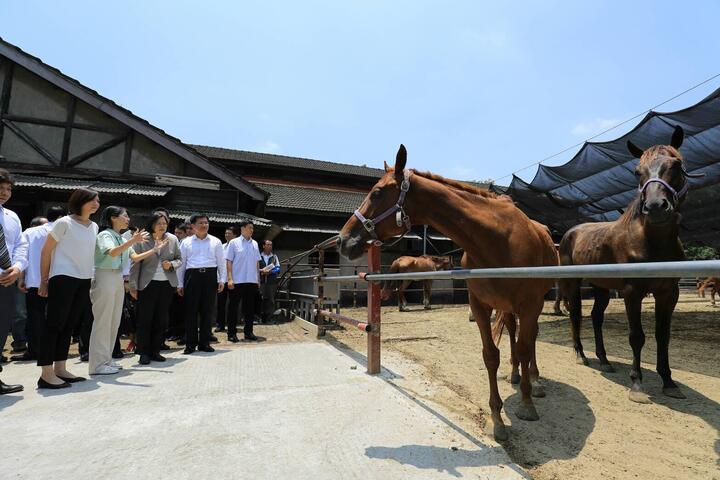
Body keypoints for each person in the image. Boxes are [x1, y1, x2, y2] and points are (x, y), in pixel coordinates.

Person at [37, 188, 100, 388]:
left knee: (69, 324)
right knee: (55, 324)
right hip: (63, 277)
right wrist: (44, 279)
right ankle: (46, 374)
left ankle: (60, 368)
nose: (96, 204)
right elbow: (46, 251)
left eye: (98, 201)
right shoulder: (64, 222)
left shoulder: (94, 226)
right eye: (92, 200)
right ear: (79, 201)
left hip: (83, 279)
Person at [88, 206, 147, 375]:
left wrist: (156, 250)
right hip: (104, 275)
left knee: (114, 321)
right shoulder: (105, 235)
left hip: (116, 277)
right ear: (114, 218)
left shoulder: (120, 237)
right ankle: (97, 365)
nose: (128, 218)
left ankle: (106, 360)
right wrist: (132, 241)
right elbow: (112, 253)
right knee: (103, 321)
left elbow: (134, 257)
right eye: (125, 215)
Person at [129, 212, 181, 364]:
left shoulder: (172, 239)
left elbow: (180, 259)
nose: (162, 226)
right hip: (147, 284)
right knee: (145, 319)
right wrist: (133, 286)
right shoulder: (143, 238)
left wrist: (171, 264)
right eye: (159, 223)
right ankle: (143, 352)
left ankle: (155, 350)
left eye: (164, 224)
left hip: (166, 284)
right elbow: (135, 263)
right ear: (151, 224)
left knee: (161, 319)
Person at [14, 206, 65, 361]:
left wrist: (21, 279)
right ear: (62, 217)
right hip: (59, 281)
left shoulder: (29, 232)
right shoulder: (64, 232)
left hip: (34, 281)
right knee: (57, 317)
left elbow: (22, 255)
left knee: (35, 318)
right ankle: (55, 350)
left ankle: (35, 351)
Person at [176, 213, 226, 354]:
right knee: (191, 311)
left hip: (210, 277)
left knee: (207, 311)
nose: (204, 225)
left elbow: (221, 262)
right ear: (192, 226)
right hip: (192, 276)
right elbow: (182, 264)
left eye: (206, 223)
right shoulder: (186, 242)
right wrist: (180, 284)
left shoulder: (216, 241)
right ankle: (190, 344)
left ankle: (204, 343)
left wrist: (221, 279)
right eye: (201, 223)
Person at [0, 169, 28, 368]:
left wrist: (17, 268)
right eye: (0, 188)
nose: (4, 192)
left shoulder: (12, 217)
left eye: (8, 189)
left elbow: (20, 244)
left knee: (1, 329)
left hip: (7, 279)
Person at [226, 220, 261, 342]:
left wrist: (258, 279)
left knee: (249, 309)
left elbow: (257, 262)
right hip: (237, 281)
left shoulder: (255, 244)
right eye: (250, 227)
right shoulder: (234, 243)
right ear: (243, 228)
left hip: (251, 281)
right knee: (233, 308)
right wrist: (229, 278)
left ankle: (248, 332)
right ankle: (231, 333)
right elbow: (229, 261)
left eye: (252, 228)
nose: (252, 230)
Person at [216, 226, 238, 332]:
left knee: (232, 303)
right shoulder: (222, 246)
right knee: (220, 303)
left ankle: (231, 325)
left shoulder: (238, 247)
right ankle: (220, 325)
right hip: (222, 279)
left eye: (229, 233)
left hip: (234, 279)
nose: (227, 235)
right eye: (226, 233)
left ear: (235, 235)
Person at [259, 240, 281, 324]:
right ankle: (260, 318)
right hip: (261, 282)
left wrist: (270, 272)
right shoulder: (258, 256)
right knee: (260, 299)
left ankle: (269, 318)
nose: (269, 246)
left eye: (271, 245)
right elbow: (254, 267)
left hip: (271, 282)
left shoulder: (274, 257)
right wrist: (261, 271)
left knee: (271, 300)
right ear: (263, 246)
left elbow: (278, 268)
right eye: (268, 245)